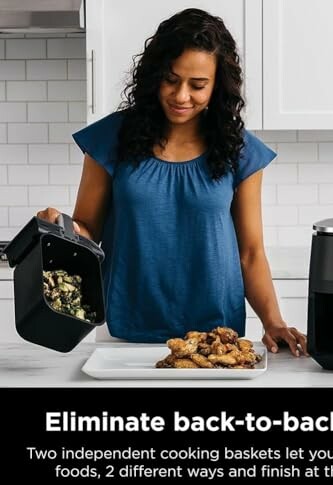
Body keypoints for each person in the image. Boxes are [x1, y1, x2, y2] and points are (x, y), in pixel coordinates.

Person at [37, 8, 307, 357]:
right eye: (171, 79)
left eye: (197, 85)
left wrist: (273, 322)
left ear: (217, 85)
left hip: (215, 338)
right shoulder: (111, 138)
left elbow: (250, 252)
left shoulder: (239, 150)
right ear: (154, 76)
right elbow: (88, 230)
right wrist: (61, 227)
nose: (181, 96)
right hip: (123, 329)